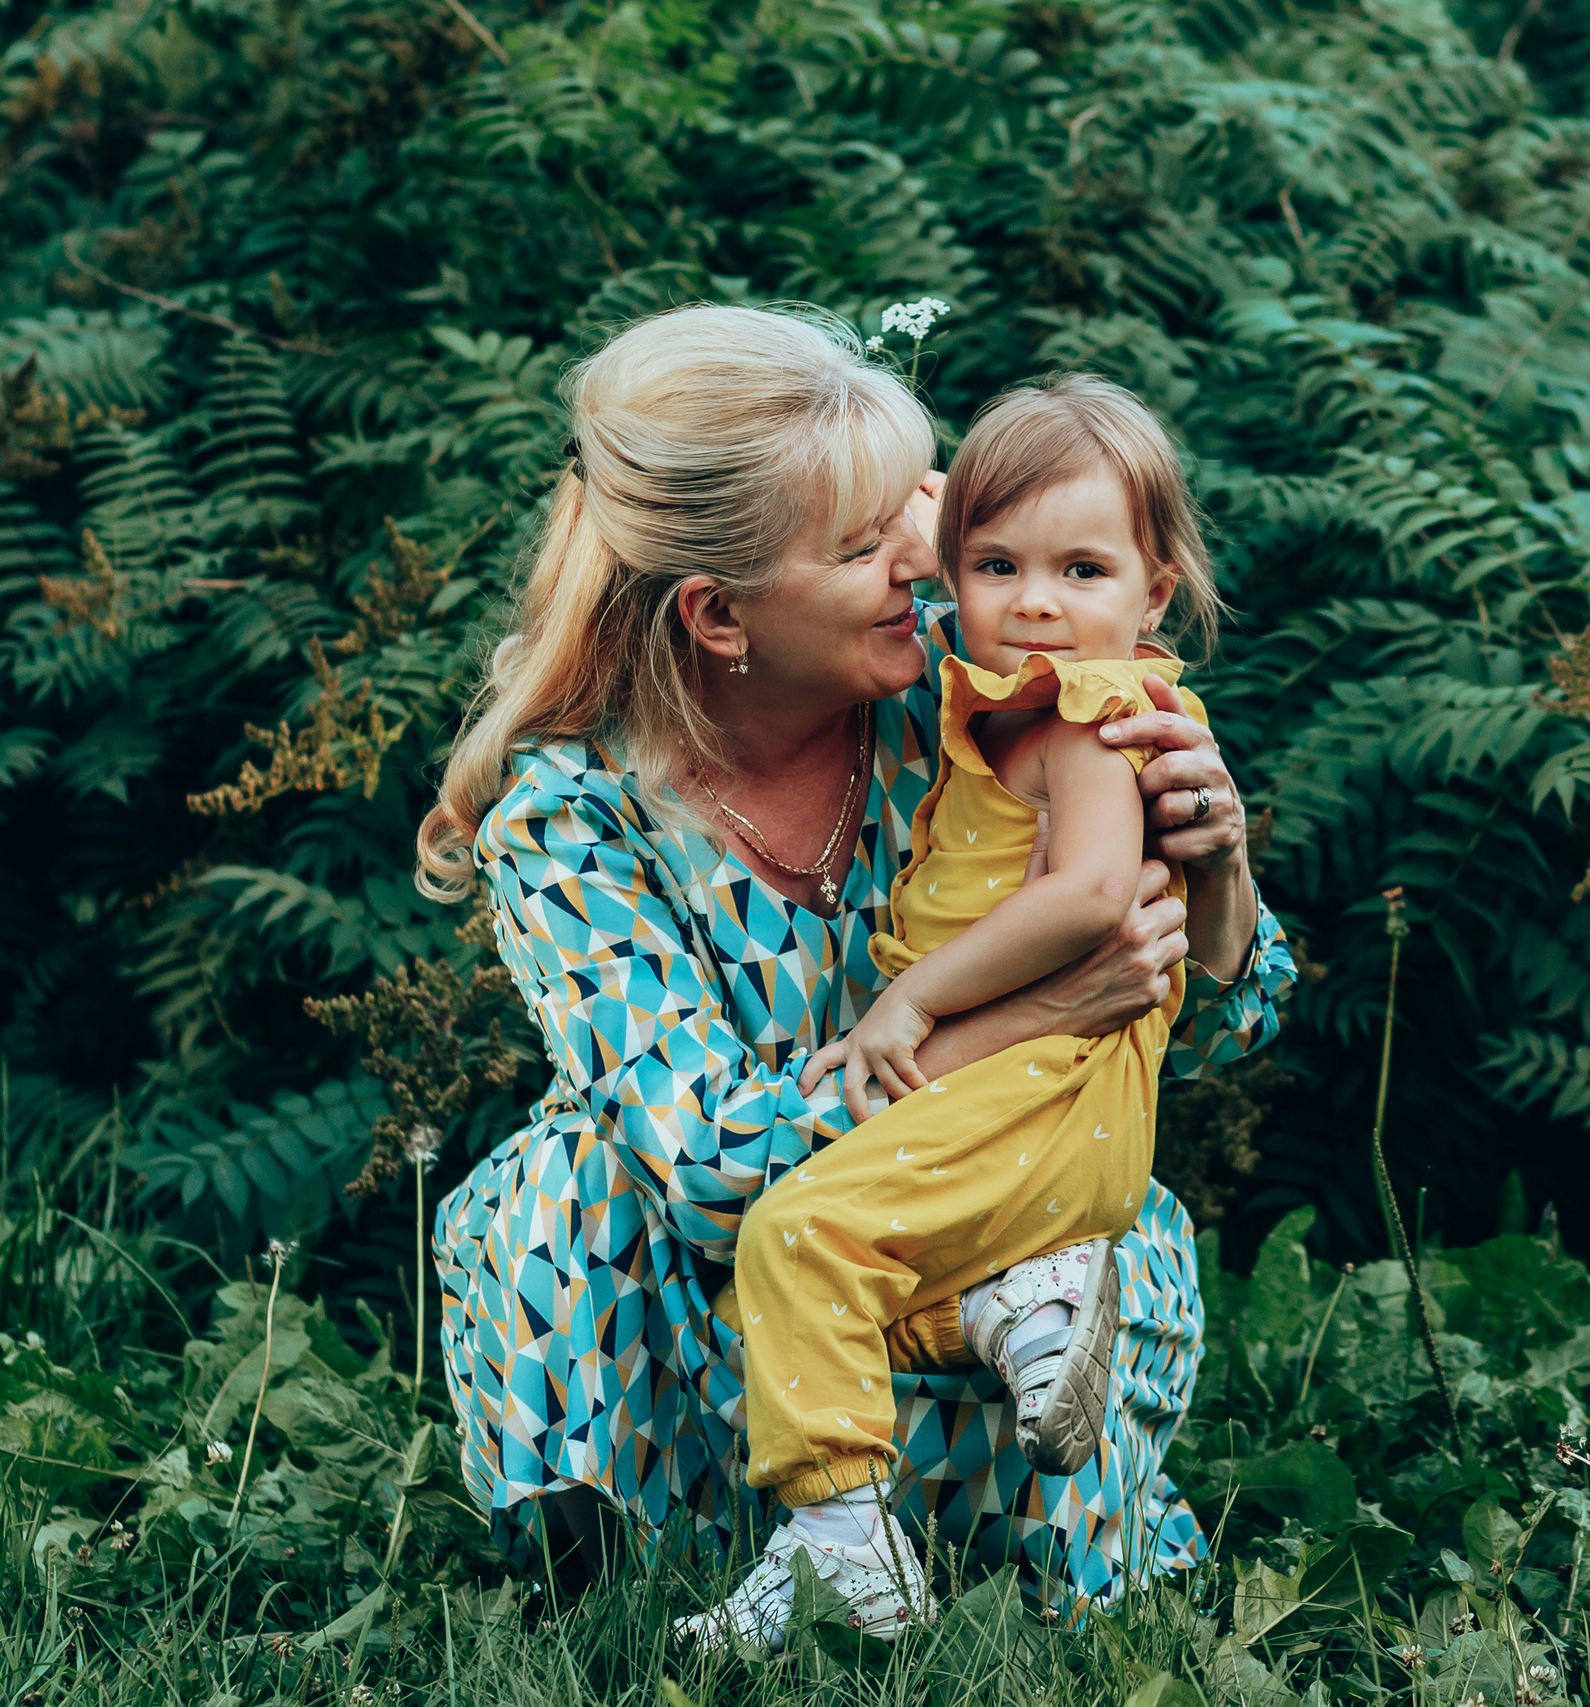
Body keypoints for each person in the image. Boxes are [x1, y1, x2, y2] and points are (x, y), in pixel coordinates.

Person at [414, 304, 1297, 1621]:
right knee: (554, 1188)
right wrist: (1036, 1006)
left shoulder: (986, 686)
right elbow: (711, 1173)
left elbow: (1227, 1024)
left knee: (1084, 1224)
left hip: (976, 1242)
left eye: (917, 513)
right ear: (720, 615)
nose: (926, 563)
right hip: (717, 1291)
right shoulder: (574, 818)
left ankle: (991, 1551)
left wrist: (1214, 860)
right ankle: (627, 1573)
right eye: (866, 541)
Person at [681, 375, 1237, 1648]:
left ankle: (842, 1544)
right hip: (1037, 1089)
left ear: (1156, 597)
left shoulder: (1096, 715)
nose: (1035, 601)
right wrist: (951, 532)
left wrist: (911, 1003)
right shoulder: (1019, 688)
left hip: (1036, 1089)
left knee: (792, 1240)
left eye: (1084, 571)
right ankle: (1028, 1301)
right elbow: (1000, 555)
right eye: (996, 565)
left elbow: (1098, 898)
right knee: (855, 1268)